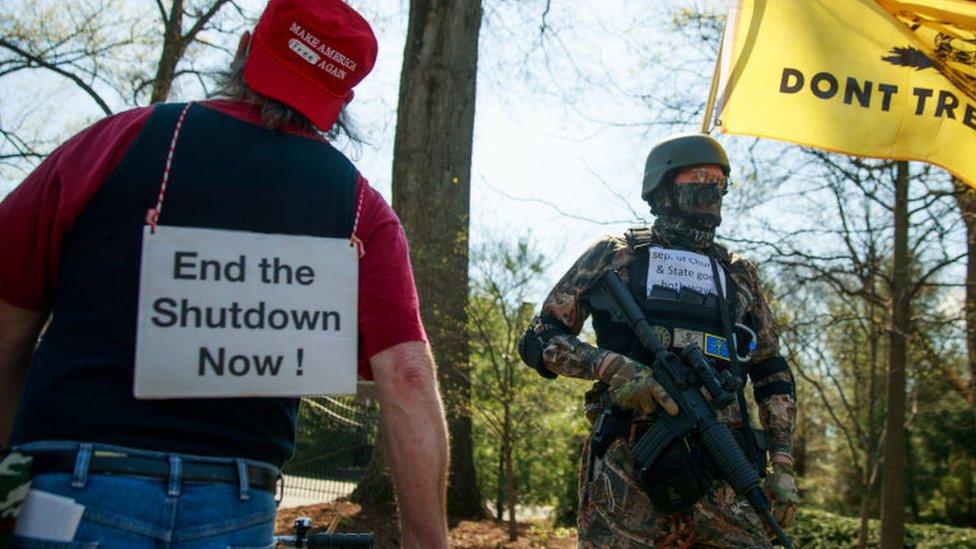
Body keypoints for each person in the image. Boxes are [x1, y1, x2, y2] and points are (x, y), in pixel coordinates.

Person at [0, 0, 449, 546]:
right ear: (342, 99)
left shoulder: (118, 140)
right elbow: (406, 376)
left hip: (73, 489)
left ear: (243, 49)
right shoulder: (359, 208)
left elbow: (8, 319)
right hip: (236, 504)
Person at [518, 133, 798, 547]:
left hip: (723, 467)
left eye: (720, 180)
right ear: (663, 188)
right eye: (699, 176)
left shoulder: (738, 274)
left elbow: (771, 369)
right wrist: (612, 368)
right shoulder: (615, 255)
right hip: (629, 469)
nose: (712, 187)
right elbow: (541, 338)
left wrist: (783, 461)